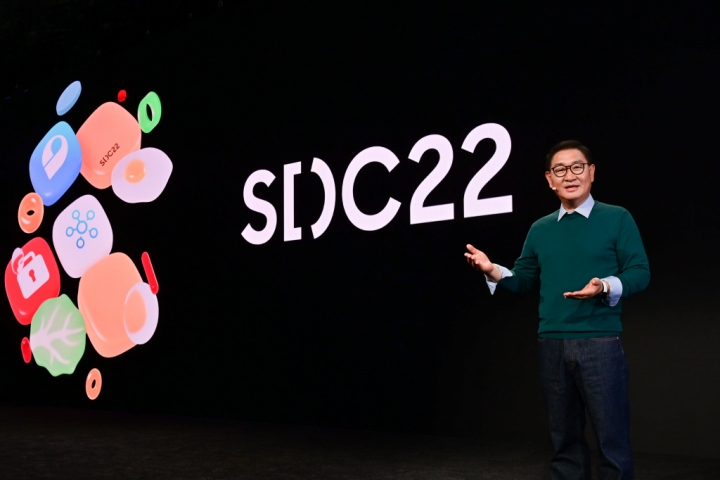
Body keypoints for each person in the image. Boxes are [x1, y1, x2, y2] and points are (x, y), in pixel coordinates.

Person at [465, 140, 650, 480]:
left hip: (600, 343)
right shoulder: (541, 228)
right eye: (560, 170)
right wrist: (492, 270)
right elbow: (523, 280)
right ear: (550, 179)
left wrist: (604, 285)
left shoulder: (617, 218)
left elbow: (640, 272)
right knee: (563, 442)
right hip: (550, 344)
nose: (570, 176)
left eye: (577, 167)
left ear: (591, 172)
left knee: (612, 440)